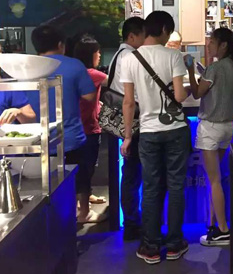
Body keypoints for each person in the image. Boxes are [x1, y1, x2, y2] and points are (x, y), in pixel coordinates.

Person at [120, 11, 191, 265]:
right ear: (162, 30)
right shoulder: (173, 55)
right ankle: (174, 244)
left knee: (150, 188)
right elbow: (180, 97)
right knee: (176, 186)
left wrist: (128, 136)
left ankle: (150, 246)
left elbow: (129, 102)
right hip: (176, 130)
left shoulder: (130, 58)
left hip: (148, 132)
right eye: (168, 32)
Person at [27, 26, 100, 223]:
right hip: (71, 135)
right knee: (79, 176)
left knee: (46, 181)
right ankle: (83, 213)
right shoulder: (74, 65)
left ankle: (52, 217)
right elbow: (89, 95)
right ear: (61, 44)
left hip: (38, 137)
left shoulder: (29, 67)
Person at [186, 28, 233, 247]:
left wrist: (190, 70)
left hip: (210, 127)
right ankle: (212, 225)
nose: (208, 45)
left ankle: (222, 229)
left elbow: (197, 92)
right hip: (227, 127)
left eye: (212, 42)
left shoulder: (215, 68)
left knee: (214, 181)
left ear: (223, 45)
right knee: (216, 178)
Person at [107, 17, 146, 241]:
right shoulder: (130, 57)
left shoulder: (118, 55)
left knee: (130, 173)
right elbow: (132, 98)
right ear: (132, 36)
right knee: (133, 174)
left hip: (124, 120)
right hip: (133, 121)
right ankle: (132, 223)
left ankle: (132, 221)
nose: (145, 40)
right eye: (142, 35)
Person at [74, 35, 108, 206]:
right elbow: (117, 82)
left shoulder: (77, 73)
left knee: (81, 166)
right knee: (88, 166)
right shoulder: (93, 74)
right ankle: (83, 206)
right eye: (97, 52)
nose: (99, 55)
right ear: (90, 55)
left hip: (77, 126)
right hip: (89, 127)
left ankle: (85, 195)